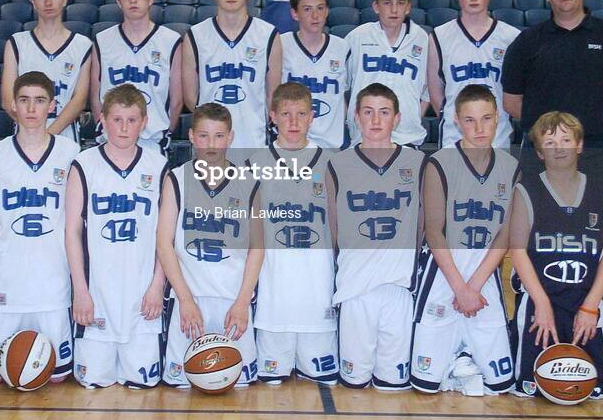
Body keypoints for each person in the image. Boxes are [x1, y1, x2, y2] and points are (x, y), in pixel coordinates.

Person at [502, 0, 603, 367]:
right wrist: (552, 142)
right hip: (538, 159)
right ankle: (531, 320)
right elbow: (512, 103)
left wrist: (587, 133)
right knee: (531, 242)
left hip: (596, 154)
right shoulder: (528, 42)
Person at [411, 85, 518, 395]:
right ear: (456, 120)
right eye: (470, 120)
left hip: (485, 272)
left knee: (499, 384)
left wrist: (475, 287)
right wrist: (461, 288)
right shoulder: (439, 163)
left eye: (486, 118)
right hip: (444, 272)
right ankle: (456, 359)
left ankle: (464, 357)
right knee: (425, 384)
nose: (479, 128)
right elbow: (433, 231)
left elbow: (505, 234)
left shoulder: (511, 168)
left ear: (498, 118)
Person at [509, 111, 603, 400]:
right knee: (526, 388)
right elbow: (517, 251)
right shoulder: (525, 191)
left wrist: (591, 306)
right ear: (539, 151)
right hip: (539, 300)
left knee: (600, 390)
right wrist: (541, 303)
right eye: (549, 142)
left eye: (566, 140)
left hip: (585, 298)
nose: (559, 147)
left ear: (579, 145)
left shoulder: (602, 192)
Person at [0, 72, 80, 383]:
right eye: (24, 100)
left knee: (59, 375)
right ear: (13, 106)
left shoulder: (72, 153)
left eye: (39, 101)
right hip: (10, 275)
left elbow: (77, 219)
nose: (32, 108)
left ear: (52, 106)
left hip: (53, 275)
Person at [65, 84, 168, 389]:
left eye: (132, 120)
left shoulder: (159, 166)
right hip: (98, 299)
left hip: (142, 300)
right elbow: (72, 232)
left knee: (143, 386)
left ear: (145, 122)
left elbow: (167, 235)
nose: (124, 128)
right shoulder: (84, 165)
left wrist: (157, 285)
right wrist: (80, 292)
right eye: (117, 119)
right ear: (103, 119)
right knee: (93, 386)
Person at [326, 83, 425, 390]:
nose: (376, 120)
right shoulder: (338, 164)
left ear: (397, 118)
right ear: (356, 117)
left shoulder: (418, 163)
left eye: (384, 112)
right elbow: (333, 227)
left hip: (398, 288)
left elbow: (424, 220)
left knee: (392, 386)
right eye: (368, 112)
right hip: (356, 288)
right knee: (354, 385)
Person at [157, 103, 263, 388]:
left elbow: (258, 247)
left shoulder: (250, 182)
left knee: (239, 390)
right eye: (204, 136)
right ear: (191, 136)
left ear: (230, 137)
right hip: (191, 302)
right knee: (180, 391)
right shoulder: (177, 179)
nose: (211, 145)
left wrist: (243, 302)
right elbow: (164, 244)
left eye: (218, 136)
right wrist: (185, 299)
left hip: (233, 303)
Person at [250, 83, 337, 386]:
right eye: (286, 114)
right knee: (270, 385)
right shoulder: (255, 162)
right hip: (274, 293)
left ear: (313, 116)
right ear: (272, 116)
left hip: (318, 288)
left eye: (301, 114)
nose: (294, 122)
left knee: (323, 381)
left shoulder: (331, 162)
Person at [183, 0, 281, 150]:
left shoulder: (268, 35)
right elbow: (190, 97)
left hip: (253, 139)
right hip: (209, 144)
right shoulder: (195, 35)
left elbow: (272, 96)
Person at [427, 0, 520, 148]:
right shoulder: (439, 36)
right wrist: (456, 121)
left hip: (498, 139)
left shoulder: (511, 37)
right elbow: (435, 92)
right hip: (454, 141)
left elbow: (516, 93)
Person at [91, 0, 182, 154]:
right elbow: (95, 96)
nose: (133, 0)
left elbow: (177, 100)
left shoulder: (171, 41)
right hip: (111, 140)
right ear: (118, 0)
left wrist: (165, 130)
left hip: (153, 139)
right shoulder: (102, 40)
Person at [1, 0, 92, 143]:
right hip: (25, 135)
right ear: (32, 1)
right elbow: (7, 100)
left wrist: (47, 135)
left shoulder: (82, 45)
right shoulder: (16, 43)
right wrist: (33, 133)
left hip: (64, 136)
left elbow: (79, 100)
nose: (48, 2)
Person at [345, 0, 429, 148]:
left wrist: (413, 117)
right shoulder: (358, 37)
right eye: (387, 3)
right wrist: (352, 119)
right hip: (363, 138)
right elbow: (339, 87)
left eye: (400, 3)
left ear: (408, 7)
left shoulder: (422, 39)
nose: (394, 10)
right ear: (376, 6)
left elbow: (428, 90)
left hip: (407, 137)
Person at [281, 0, 351, 149]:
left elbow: (344, 95)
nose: (315, 16)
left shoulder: (343, 48)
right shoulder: (281, 45)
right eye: (307, 9)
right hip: (291, 145)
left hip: (330, 145)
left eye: (320, 8)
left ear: (327, 11)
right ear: (294, 13)